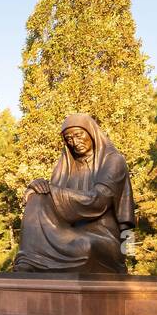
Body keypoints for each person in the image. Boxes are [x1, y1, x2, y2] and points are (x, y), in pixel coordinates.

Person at [13, 113, 136, 274]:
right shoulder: (67, 164)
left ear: (91, 132)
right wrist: (37, 187)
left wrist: (53, 191)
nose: (74, 142)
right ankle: (28, 259)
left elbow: (98, 201)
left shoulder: (113, 161)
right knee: (38, 195)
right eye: (69, 139)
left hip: (104, 234)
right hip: (69, 233)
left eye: (78, 135)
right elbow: (52, 200)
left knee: (84, 247)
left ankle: (38, 261)